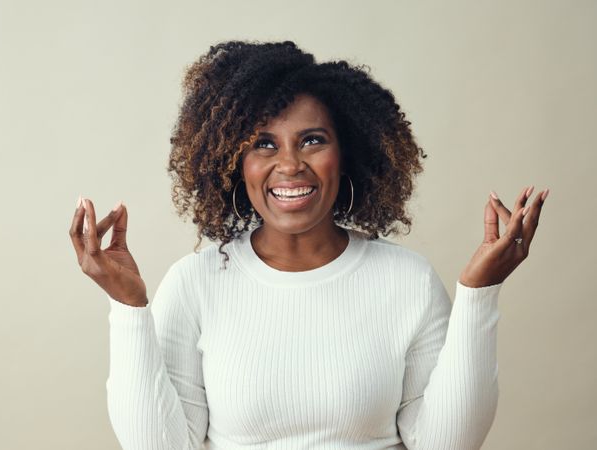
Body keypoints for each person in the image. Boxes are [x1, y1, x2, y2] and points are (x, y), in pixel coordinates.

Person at [68, 40, 549, 450]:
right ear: (233, 162)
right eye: (264, 144)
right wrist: (127, 307)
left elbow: (447, 443)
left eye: (312, 140)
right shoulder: (194, 284)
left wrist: (479, 292)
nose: (291, 164)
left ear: (348, 152)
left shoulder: (408, 281)